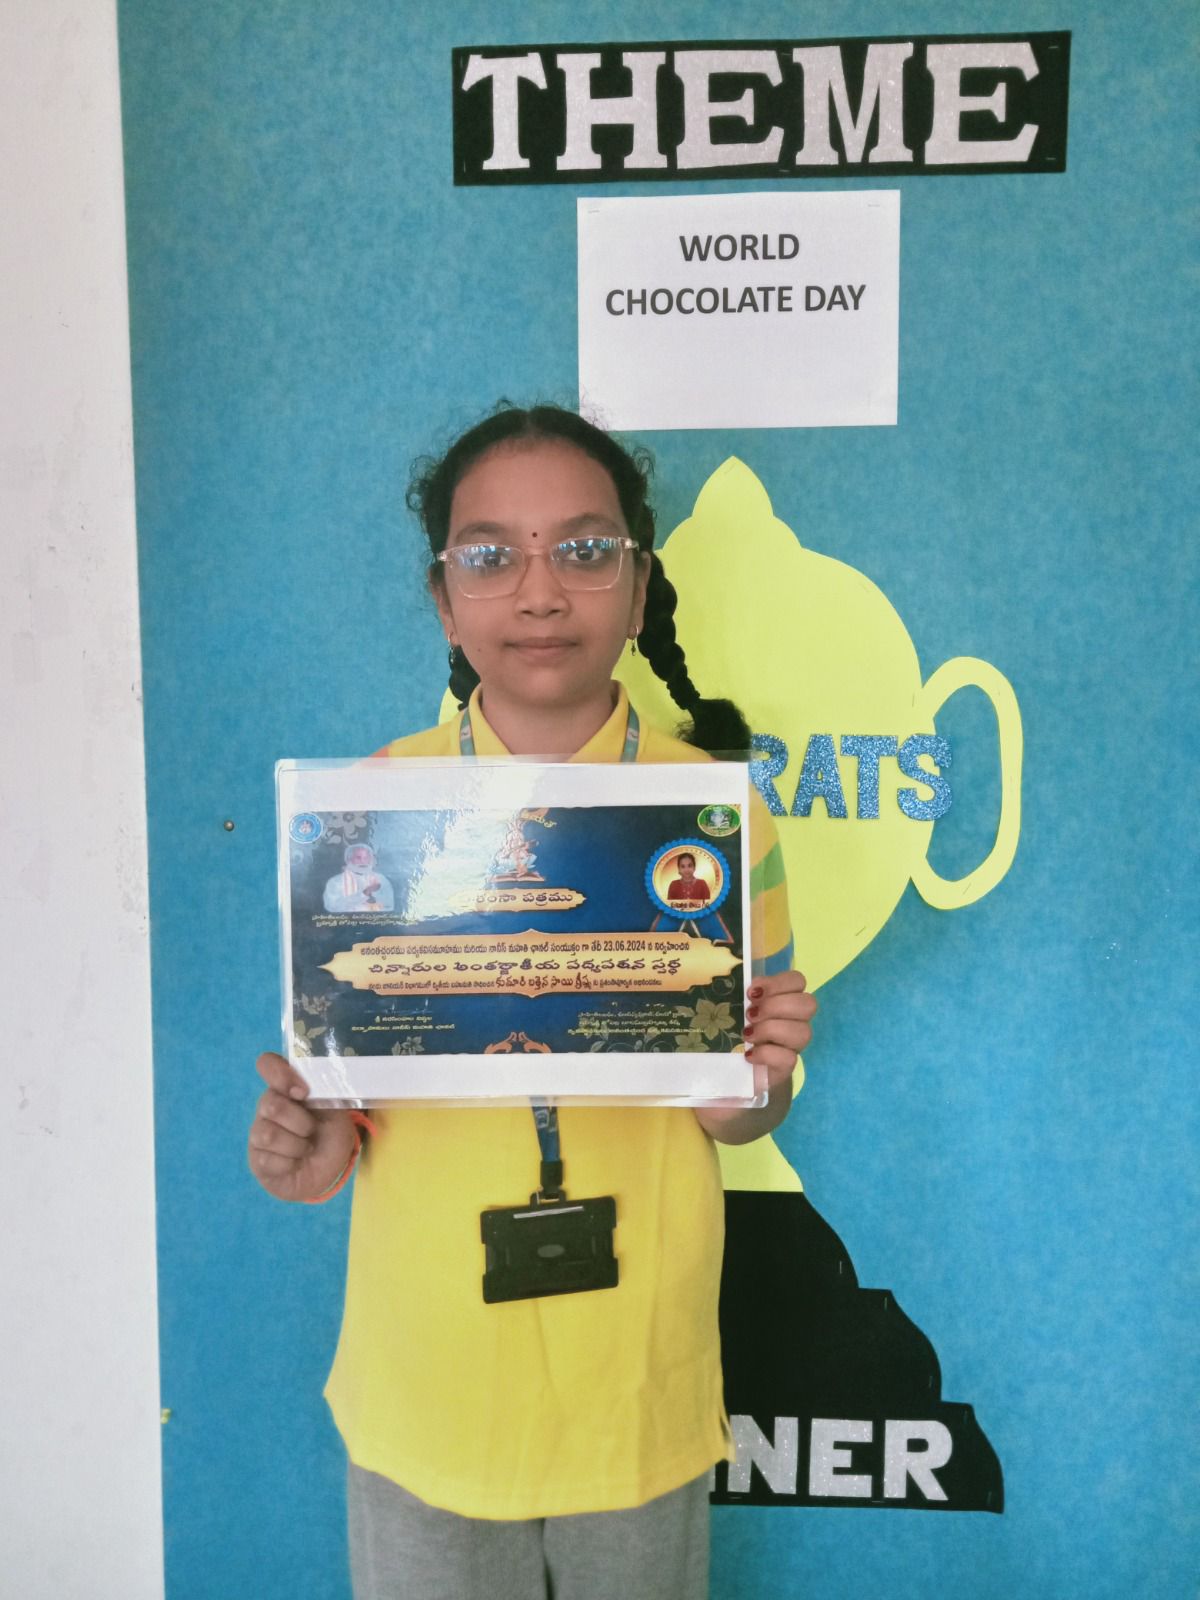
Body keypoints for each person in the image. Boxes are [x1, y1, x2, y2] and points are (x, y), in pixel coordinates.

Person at [248, 405, 817, 1600]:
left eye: (586, 549)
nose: (542, 591)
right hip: (429, 1375)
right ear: (444, 600)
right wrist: (319, 1144)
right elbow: (355, 1086)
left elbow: (746, 1111)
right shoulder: (369, 807)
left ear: (640, 584)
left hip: (636, 1371)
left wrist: (755, 1085)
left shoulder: (718, 813)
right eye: (492, 554)